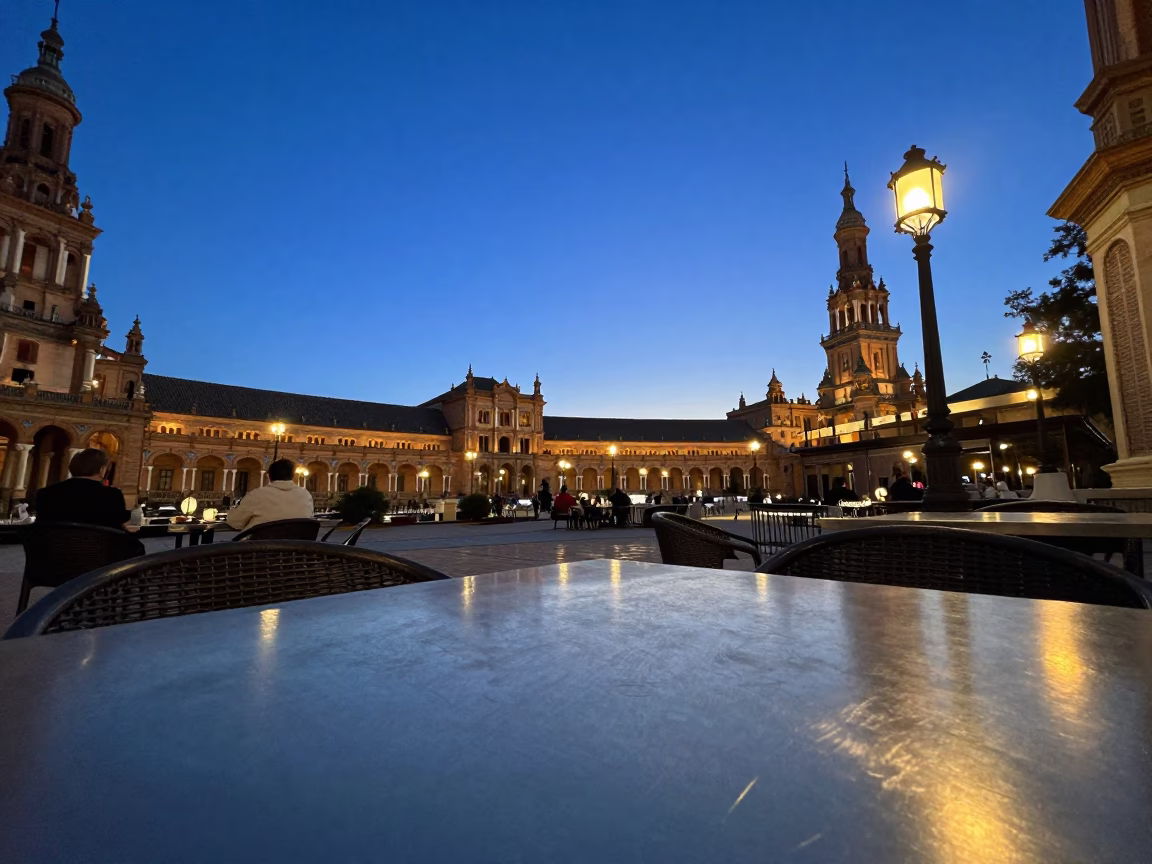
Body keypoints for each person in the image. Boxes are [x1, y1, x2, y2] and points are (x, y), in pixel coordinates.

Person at [35, 448, 131, 529]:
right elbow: (118, 525)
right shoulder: (112, 495)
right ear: (102, 470)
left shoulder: (45, 493)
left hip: (54, 549)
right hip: (98, 549)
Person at [226, 458, 314, 531]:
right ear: (293, 476)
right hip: (296, 549)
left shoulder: (256, 495)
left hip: (259, 549)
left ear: (268, 476)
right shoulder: (305, 495)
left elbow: (235, 523)